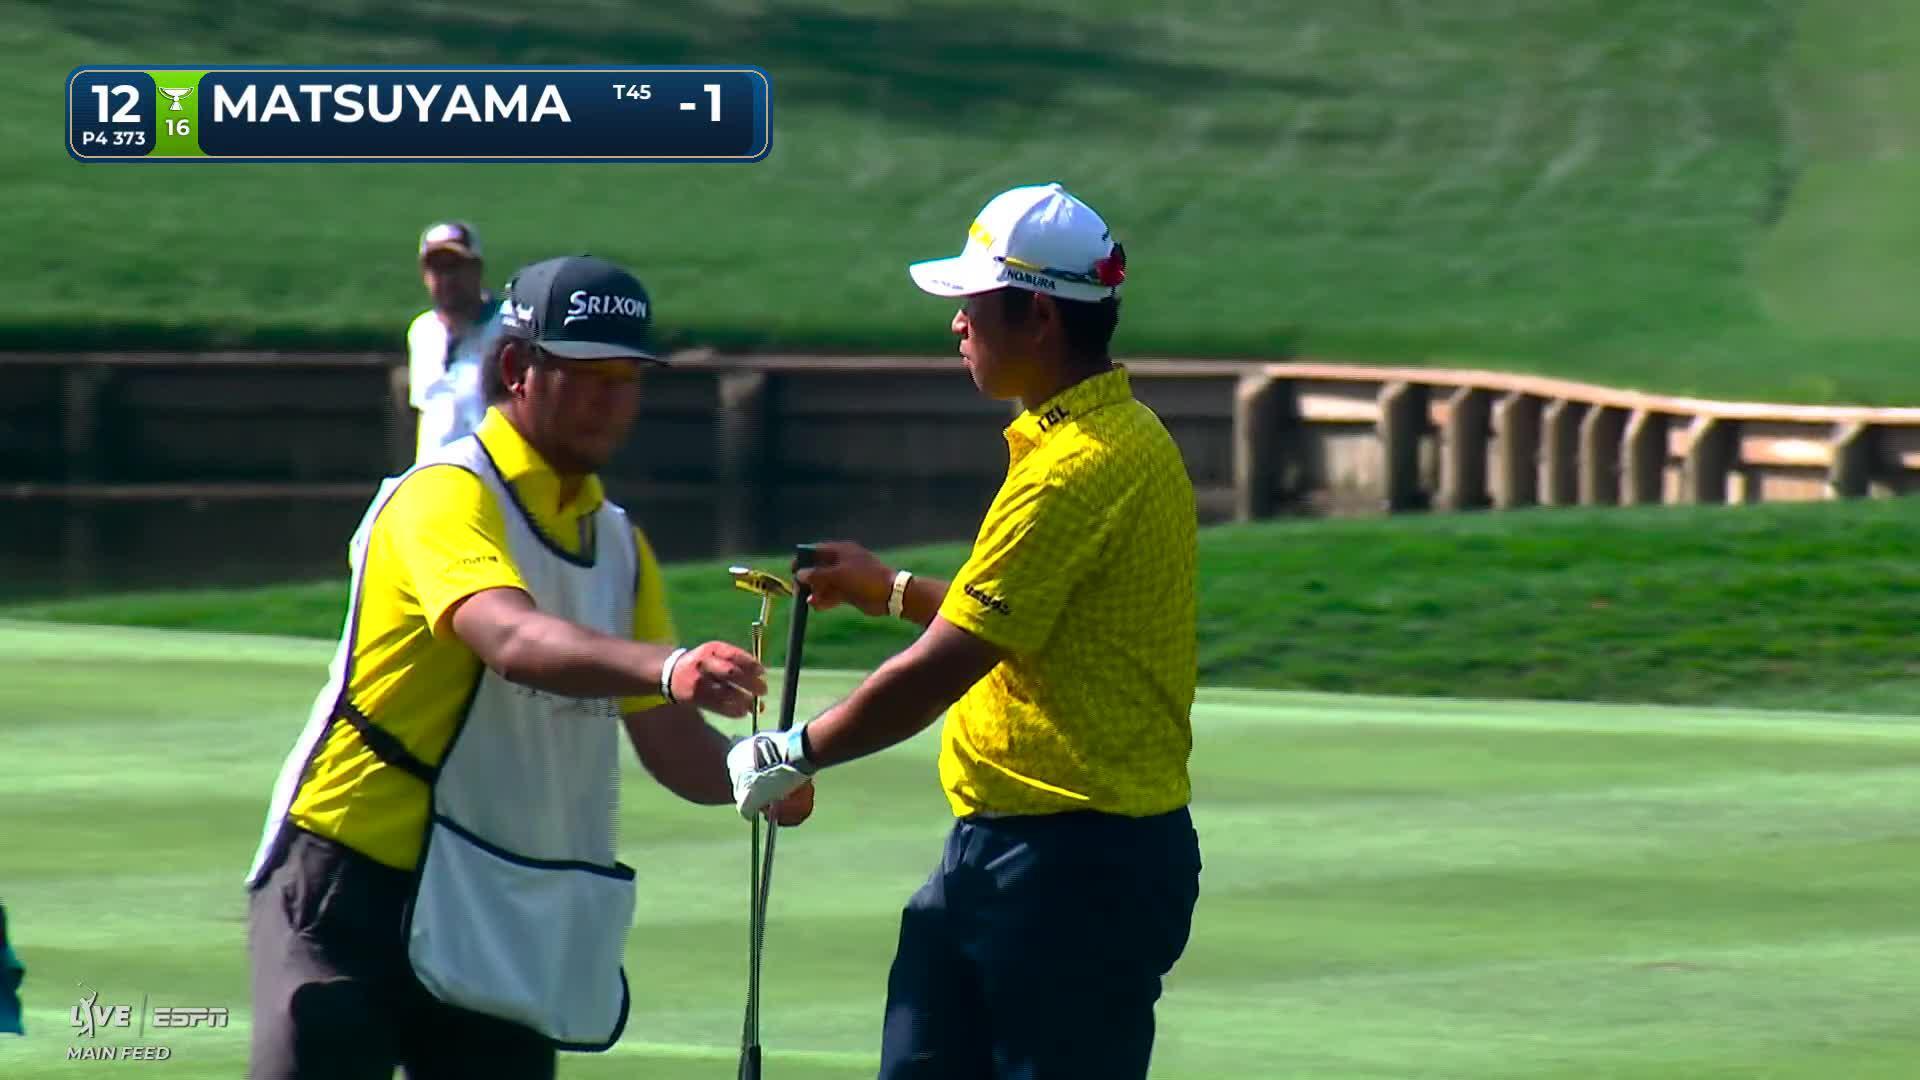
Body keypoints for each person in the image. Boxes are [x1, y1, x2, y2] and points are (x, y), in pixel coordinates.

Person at [244, 253, 812, 1080]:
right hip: (349, 881)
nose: (612, 401)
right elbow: (509, 638)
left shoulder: (617, 542)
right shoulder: (443, 494)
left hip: (498, 901)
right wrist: (665, 664)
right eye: (589, 375)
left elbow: (667, 740)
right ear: (517, 369)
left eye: (627, 378)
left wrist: (754, 775)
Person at [729, 182, 1202, 1079]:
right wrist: (892, 589)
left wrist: (797, 748)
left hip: (1074, 869)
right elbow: (1023, 615)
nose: (957, 327)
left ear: (1037, 319)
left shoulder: (1074, 469)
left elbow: (943, 667)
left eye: (972, 308)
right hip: (1014, 856)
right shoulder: (1109, 435)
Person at [403, 221, 505, 461]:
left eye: (455, 267)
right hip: (435, 480)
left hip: (495, 479)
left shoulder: (509, 327)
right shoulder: (422, 331)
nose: (446, 278)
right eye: (436, 269)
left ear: (477, 269)